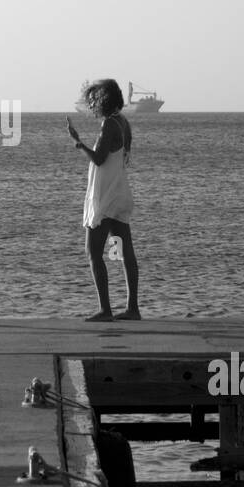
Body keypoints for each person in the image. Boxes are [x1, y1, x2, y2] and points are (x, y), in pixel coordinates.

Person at [68, 79, 140, 321]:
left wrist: (78, 143)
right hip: (119, 192)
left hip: (105, 197)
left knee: (93, 252)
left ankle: (105, 310)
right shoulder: (123, 123)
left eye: (92, 100)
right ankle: (132, 308)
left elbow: (99, 159)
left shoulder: (109, 124)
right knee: (125, 252)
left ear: (102, 100)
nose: (90, 105)